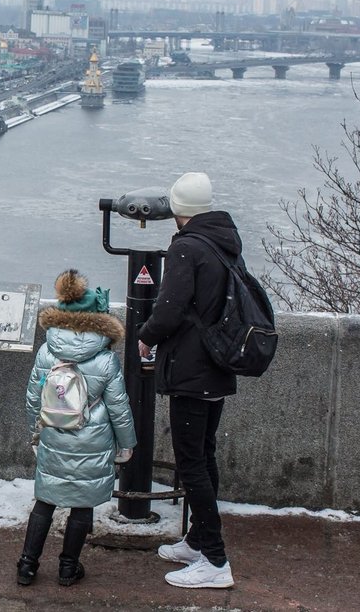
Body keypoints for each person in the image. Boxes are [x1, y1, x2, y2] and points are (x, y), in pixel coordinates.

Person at [137, 171, 238, 589]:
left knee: (191, 463)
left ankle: (215, 561)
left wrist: (146, 337)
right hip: (217, 363)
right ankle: (197, 540)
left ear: (177, 209)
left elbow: (170, 307)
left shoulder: (186, 248)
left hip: (191, 370)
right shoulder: (224, 241)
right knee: (205, 455)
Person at [18, 269, 136, 587]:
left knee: (45, 501)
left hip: (54, 435)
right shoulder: (105, 359)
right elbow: (118, 407)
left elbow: (33, 397)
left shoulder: (47, 350)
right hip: (93, 441)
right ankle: (68, 568)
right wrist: (126, 445)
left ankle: (27, 565)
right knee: (82, 505)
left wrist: (36, 432)